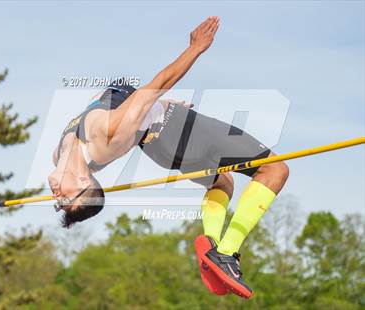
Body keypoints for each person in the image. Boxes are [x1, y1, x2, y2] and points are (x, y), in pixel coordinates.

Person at [48, 16, 289, 298]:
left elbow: (130, 105)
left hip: (164, 143)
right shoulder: (105, 135)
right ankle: (226, 252)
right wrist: (195, 48)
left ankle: (212, 245)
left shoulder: (61, 152)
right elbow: (158, 83)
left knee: (223, 183)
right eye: (64, 201)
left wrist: (154, 106)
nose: (56, 197)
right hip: (174, 130)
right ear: (82, 180)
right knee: (274, 170)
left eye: (59, 203)